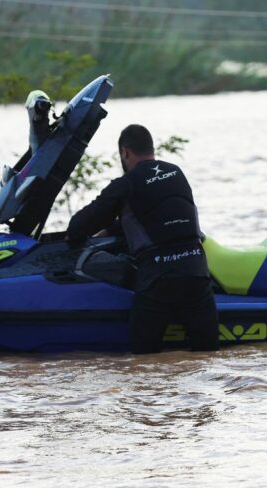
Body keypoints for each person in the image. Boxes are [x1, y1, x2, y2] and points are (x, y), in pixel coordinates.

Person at [67, 124, 219, 354]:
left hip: (158, 281)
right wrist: (116, 229)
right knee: (208, 356)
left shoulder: (127, 183)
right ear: (152, 148)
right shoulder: (176, 172)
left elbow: (78, 228)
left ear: (125, 152)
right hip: (196, 274)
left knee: (143, 365)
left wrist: (105, 229)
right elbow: (159, 215)